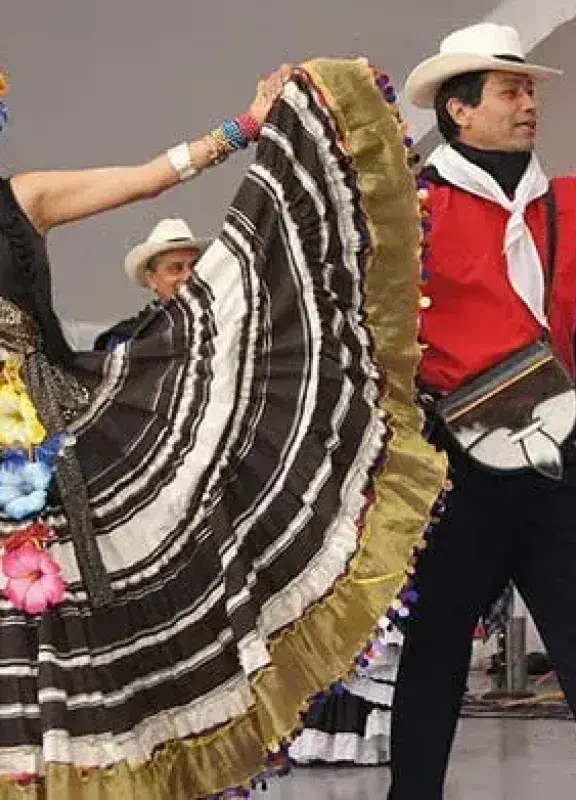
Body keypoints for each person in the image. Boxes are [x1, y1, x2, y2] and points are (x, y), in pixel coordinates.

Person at [0, 57, 445, 799]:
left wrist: (243, 128)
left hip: (34, 447)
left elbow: (147, 176)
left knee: (53, 612)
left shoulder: (21, 198)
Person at [387, 22, 576, 799]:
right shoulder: (409, 211)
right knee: (434, 658)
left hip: (559, 459)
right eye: (510, 89)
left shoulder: (565, 203)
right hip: (453, 470)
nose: (527, 102)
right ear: (459, 110)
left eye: (528, 88)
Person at [93, 218, 211, 350]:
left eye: (195, 266)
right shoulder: (127, 340)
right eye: (175, 268)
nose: (188, 275)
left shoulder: (222, 327)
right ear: (151, 279)